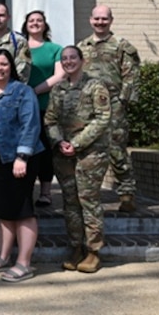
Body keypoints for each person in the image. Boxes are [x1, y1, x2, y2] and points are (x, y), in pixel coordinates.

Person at [0, 49, 44, 283]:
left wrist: (22, 157)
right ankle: (3, 257)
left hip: (17, 161)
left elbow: (31, 125)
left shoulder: (22, 92)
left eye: (3, 64)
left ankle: (24, 263)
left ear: (11, 66)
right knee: (2, 211)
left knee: (22, 210)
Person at [44, 45, 111, 274]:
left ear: (82, 60)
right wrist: (59, 141)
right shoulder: (59, 88)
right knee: (70, 203)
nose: (69, 61)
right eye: (64, 59)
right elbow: (50, 120)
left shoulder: (95, 86)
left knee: (88, 200)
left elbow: (102, 119)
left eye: (73, 57)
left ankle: (93, 251)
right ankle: (75, 247)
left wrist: (78, 143)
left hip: (90, 153)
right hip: (64, 154)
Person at [77, 5, 141, 213]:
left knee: (116, 150)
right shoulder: (82, 46)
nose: (100, 22)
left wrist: (123, 101)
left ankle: (126, 194)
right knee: (88, 150)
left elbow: (131, 77)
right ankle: (89, 195)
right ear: (90, 20)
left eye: (104, 19)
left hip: (114, 106)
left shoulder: (122, 46)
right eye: (97, 19)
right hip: (89, 108)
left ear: (111, 20)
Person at [22, 10, 64, 207]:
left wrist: (35, 91)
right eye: (31, 20)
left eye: (39, 20)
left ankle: (46, 192)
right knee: (25, 149)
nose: (35, 23)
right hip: (22, 108)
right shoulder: (19, 47)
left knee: (45, 150)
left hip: (45, 106)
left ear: (45, 25)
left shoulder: (54, 49)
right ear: (26, 25)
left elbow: (59, 75)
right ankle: (25, 191)